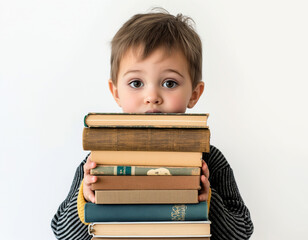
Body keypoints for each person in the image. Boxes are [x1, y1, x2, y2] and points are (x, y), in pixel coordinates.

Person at [51, 9, 254, 240]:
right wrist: (87, 199)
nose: (152, 96)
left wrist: (207, 200)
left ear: (194, 94)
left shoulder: (210, 159)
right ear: (115, 93)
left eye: (169, 82)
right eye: (136, 82)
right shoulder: (98, 162)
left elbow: (242, 232)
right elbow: (62, 232)